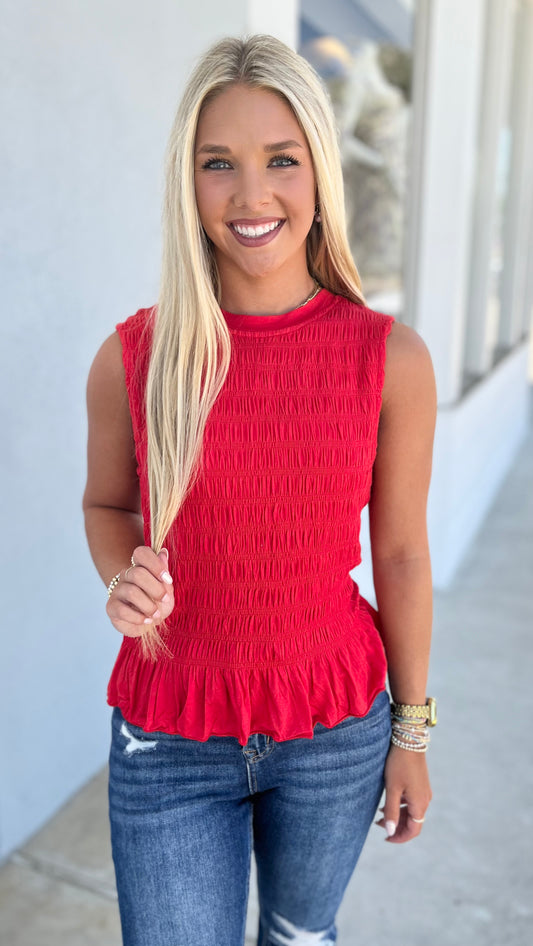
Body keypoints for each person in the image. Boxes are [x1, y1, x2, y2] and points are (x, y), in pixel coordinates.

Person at [83, 33, 437, 946]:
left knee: (297, 936)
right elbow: (107, 507)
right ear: (185, 182)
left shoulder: (387, 360)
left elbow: (398, 553)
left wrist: (412, 732)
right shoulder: (135, 359)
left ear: (319, 170)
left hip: (335, 736)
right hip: (169, 737)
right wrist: (123, 576)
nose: (250, 195)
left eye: (281, 160)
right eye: (218, 164)